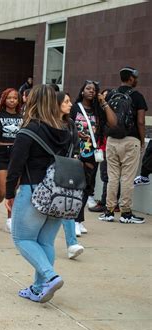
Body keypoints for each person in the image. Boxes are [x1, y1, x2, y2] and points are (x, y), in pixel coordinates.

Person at [5, 84, 73, 302]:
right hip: (61, 194)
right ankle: (38, 288)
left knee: (22, 238)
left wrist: (9, 194)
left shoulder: (28, 131)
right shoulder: (66, 131)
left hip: (33, 190)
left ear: (31, 102)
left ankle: (50, 276)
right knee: (45, 243)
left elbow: (14, 166)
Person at [99, 67, 147, 224]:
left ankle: (109, 211)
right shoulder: (137, 96)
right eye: (135, 77)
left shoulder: (111, 94)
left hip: (112, 141)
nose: (136, 80)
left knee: (113, 177)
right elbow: (140, 121)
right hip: (130, 140)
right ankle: (126, 214)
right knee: (127, 178)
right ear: (131, 78)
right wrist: (141, 140)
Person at [70, 81, 113, 235]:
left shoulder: (97, 110)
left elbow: (113, 123)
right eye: (88, 89)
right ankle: (75, 220)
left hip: (92, 153)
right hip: (76, 152)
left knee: (88, 187)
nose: (91, 91)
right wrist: (75, 133)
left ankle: (79, 220)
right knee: (78, 187)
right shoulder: (75, 108)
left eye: (94, 90)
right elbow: (65, 126)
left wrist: (104, 102)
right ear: (82, 91)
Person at [0, 88, 23, 232]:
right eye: (9, 98)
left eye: (15, 98)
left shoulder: (22, 117)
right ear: (4, 99)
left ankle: (10, 219)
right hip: (1, 153)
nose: (12, 100)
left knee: (12, 189)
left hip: (17, 154)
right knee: (2, 191)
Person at [57, 91, 85, 259]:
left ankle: (72, 244)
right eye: (66, 101)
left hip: (65, 169)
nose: (70, 104)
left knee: (66, 205)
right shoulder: (46, 123)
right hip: (46, 171)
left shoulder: (71, 124)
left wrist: (75, 159)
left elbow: (75, 145)